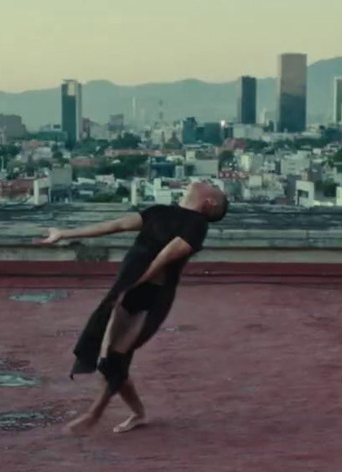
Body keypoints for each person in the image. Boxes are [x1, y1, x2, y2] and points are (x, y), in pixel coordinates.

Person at [35, 181, 229, 434]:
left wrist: (133, 284)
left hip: (150, 295)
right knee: (110, 358)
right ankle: (137, 413)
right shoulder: (159, 211)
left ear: (209, 202)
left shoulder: (196, 225)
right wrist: (64, 234)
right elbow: (116, 225)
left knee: (115, 358)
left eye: (212, 186)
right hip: (125, 290)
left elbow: (165, 257)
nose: (206, 182)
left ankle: (95, 414)